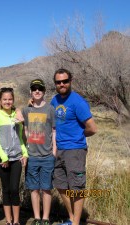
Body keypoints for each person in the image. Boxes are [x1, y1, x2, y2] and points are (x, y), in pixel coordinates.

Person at [51, 68, 97, 225]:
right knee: (61, 184)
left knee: (76, 187)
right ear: (55, 84)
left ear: (70, 81)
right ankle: (71, 218)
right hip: (58, 149)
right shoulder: (54, 101)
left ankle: (76, 223)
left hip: (75, 150)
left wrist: (78, 137)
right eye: (59, 82)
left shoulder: (78, 102)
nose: (62, 84)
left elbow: (92, 127)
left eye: (65, 81)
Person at [0, 87, 28, 225]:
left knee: (14, 189)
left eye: (10, 99)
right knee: (6, 190)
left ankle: (16, 221)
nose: (7, 101)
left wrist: (25, 153)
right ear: (0, 101)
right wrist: (3, 157)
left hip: (17, 158)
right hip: (3, 160)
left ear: (13, 100)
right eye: (5, 99)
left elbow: (20, 137)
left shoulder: (17, 116)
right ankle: (8, 220)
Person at [21, 79, 56, 225]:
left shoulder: (50, 109)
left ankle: (46, 218)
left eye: (40, 89)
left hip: (47, 155)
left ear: (44, 92)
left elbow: (54, 130)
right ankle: (37, 218)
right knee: (34, 189)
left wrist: (54, 151)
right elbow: (24, 129)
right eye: (34, 88)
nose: (37, 91)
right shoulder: (26, 110)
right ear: (30, 91)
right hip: (32, 157)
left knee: (46, 189)